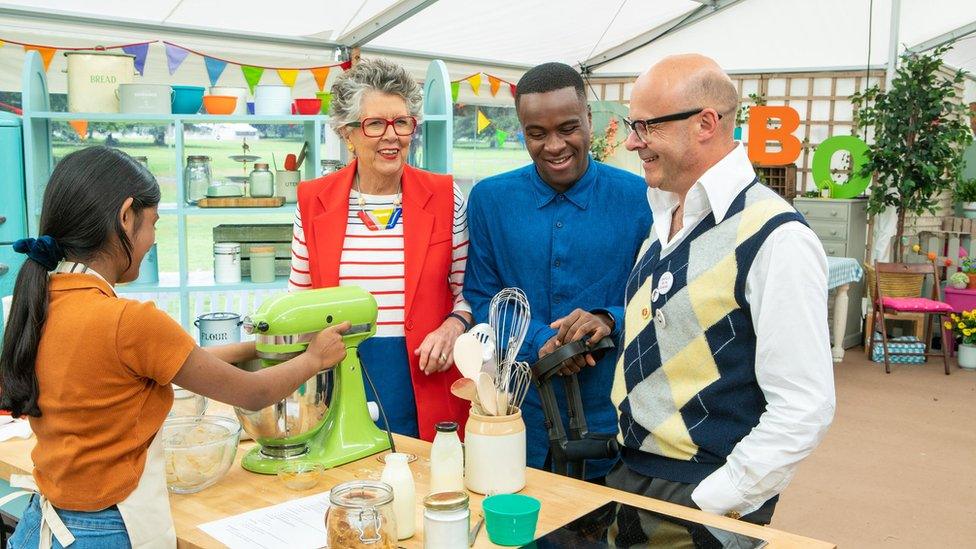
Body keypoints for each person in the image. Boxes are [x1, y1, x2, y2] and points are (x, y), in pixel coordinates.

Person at [0, 146, 349, 548]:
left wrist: (260, 346)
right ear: (125, 215)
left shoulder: (42, 300)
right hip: (106, 533)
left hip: (43, 525)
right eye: (153, 225)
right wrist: (314, 359)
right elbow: (253, 393)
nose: (151, 241)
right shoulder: (128, 321)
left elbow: (177, 363)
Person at [609, 53, 835, 524]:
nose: (632, 142)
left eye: (645, 126)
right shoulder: (663, 215)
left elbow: (804, 406)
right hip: (632, 475)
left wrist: (712, 500)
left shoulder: (776, 237)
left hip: (703, 492)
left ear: (706, 123)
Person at [465, 62, 652, 482]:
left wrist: (608, 319)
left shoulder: (640, 198)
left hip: (615, 414)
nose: (554, 145)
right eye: (537, 133)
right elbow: (482, 294)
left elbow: (657, 292)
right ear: (522, 131)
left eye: (568, 127)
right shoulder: (490, 200)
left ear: (589, 120)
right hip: (516, 413)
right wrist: (540, 340)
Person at [289, 58, 472, 441]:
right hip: (342, 375)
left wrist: (452, 328)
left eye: (401, 122)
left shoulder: (444, 196)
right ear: (347, 133)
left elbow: (467, 291)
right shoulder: (312, 201)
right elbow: (299, 304)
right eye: (375, 124)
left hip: (428, 378)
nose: (392, 136)